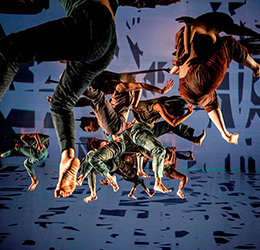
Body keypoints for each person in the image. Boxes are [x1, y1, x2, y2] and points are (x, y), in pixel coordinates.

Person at [0, 0, 182, 198]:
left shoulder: (119, 89)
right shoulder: (121, 90)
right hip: (101, 44)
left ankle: (68, 156)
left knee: (73, 98)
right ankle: (68, 155)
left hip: (101, 37)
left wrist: (156, 92)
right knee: (66, 102)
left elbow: (137, 87)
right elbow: (138, 86)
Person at [170, 12, 260, 145]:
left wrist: (179, 59)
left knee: (211, 100)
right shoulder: (203, 28)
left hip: (186, 87)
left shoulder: (188, 43)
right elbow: (190, 27)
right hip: (191, 85)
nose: (219, 34)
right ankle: (256, 67)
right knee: (229, 43)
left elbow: (174, 72)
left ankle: (225, 134)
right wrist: (187, 51)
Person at [129, 94, 194, 193]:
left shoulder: (162, 103)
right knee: (159, 150)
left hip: (146, 130)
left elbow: (140, 114)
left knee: (161, 149)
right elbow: (173, 122)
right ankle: (157, 183)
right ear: (171, 109)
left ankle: (195, 138)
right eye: (173, 115)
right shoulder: (159, 106)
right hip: (139, 132)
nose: (172, 117)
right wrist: (189, 113)